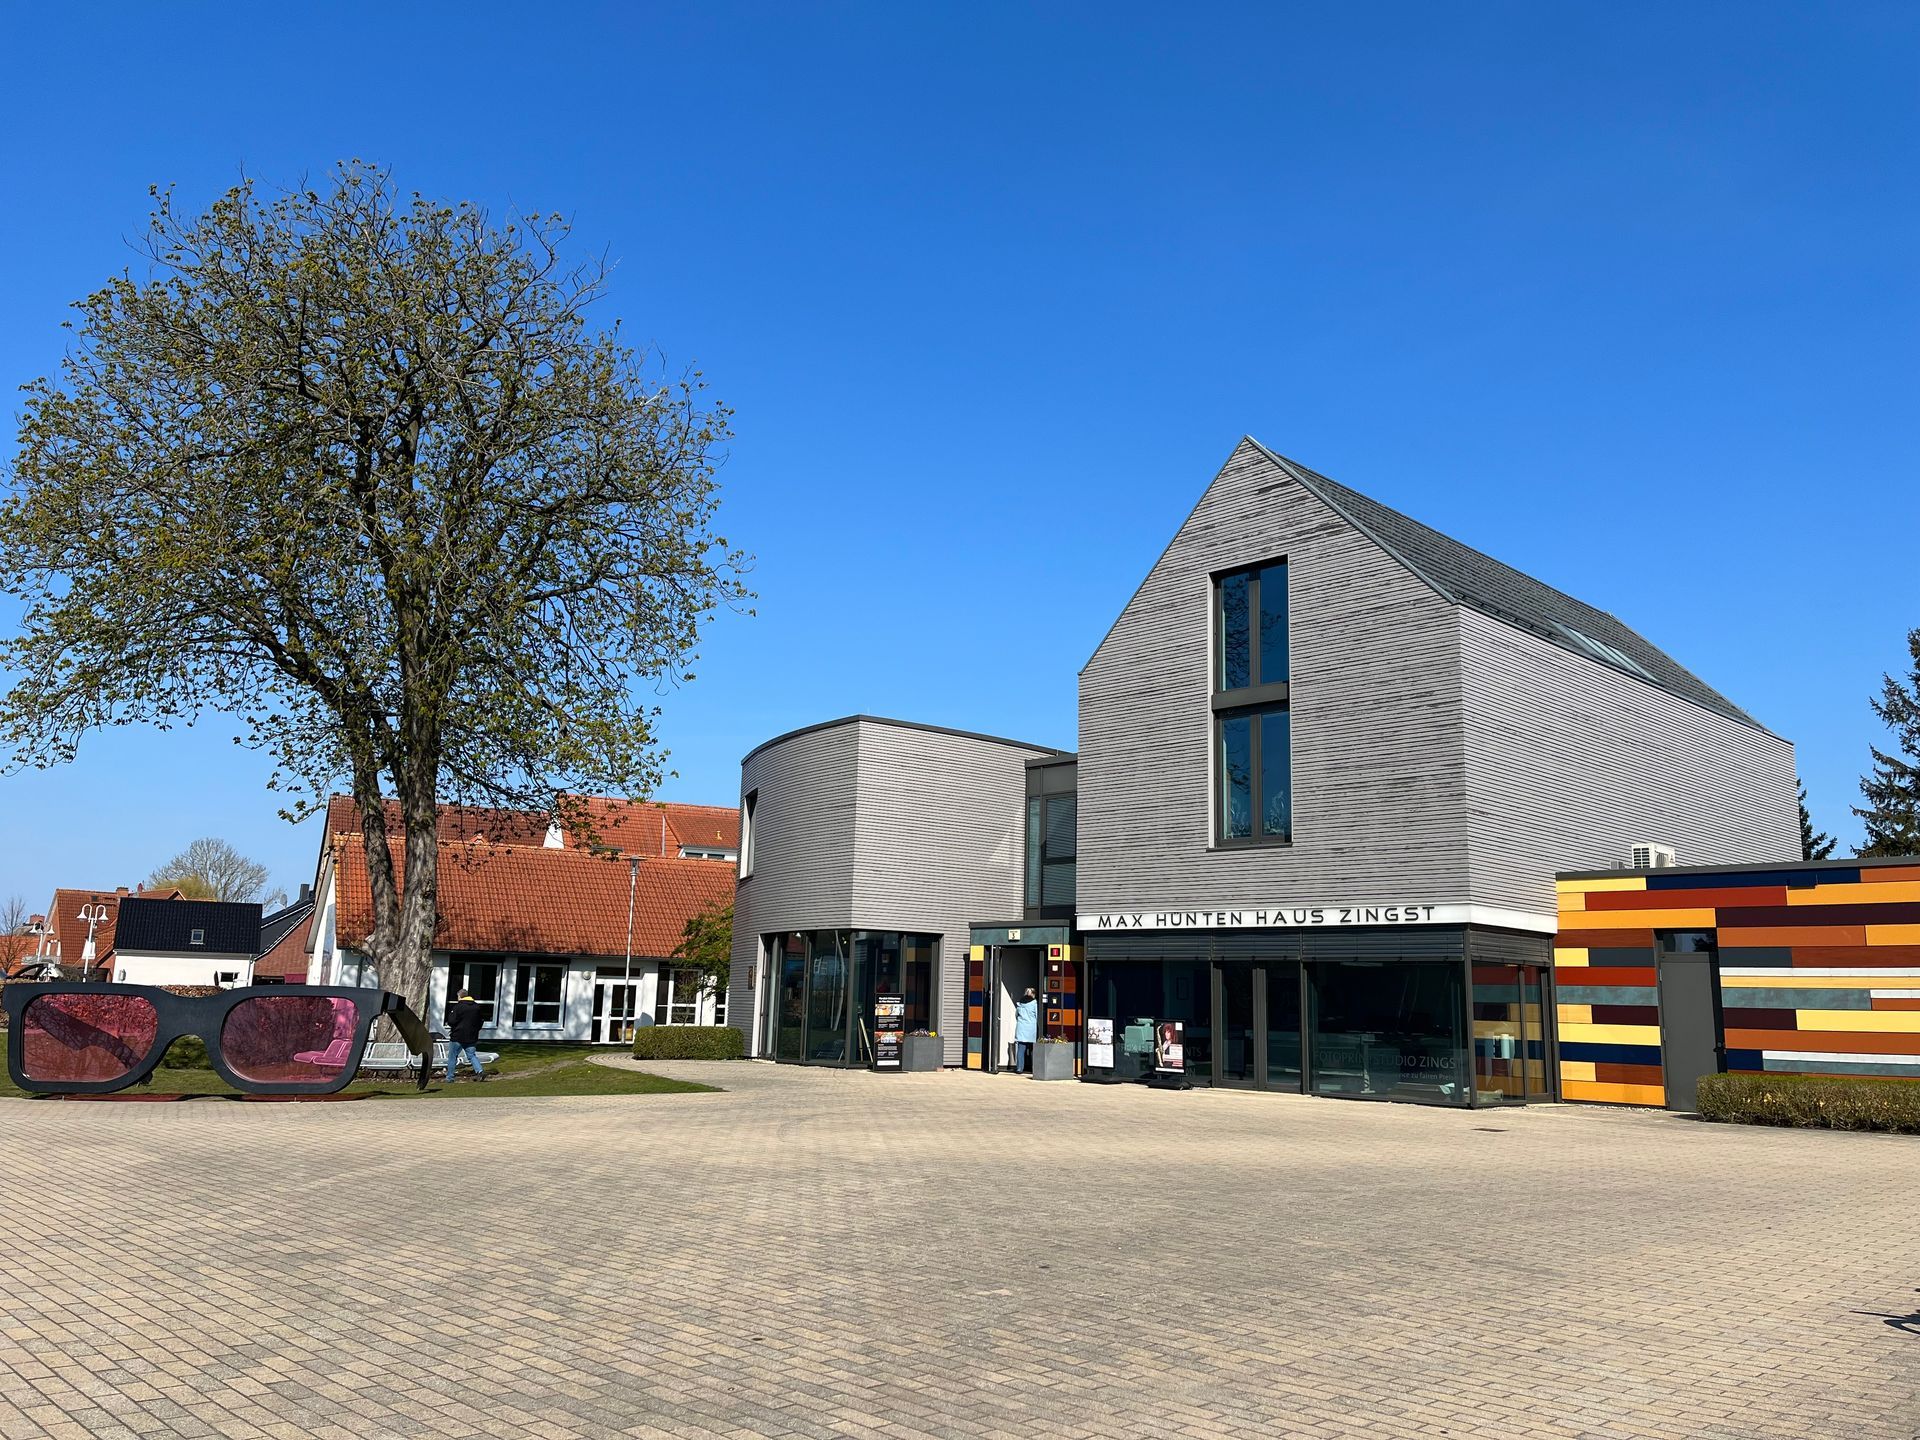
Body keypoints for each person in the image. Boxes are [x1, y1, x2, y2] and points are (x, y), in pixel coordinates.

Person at [443, 988, 489, 1082]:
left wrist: (452, 1024)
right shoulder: (476, 1007)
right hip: (471, 1036)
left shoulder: (458, 1007)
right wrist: (475, 1030)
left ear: (460, 996)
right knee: (471, 1055)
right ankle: (480, 1071)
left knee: (452, 1057)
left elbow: (451, 1021)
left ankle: (450, 1077)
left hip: (457, 1036)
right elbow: (481, 1021)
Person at [1011, 986, 1039, 1074]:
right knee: (1032, 1049)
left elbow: (1016, 1015)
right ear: (1033, 994)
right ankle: (1034, 1068)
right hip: (1031, 1028)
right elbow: (1037, 1016)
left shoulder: (1020, 1004)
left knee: (1021, 1049)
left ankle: (1019, 1068)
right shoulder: (1034, 1004)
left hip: (1021, 1028)